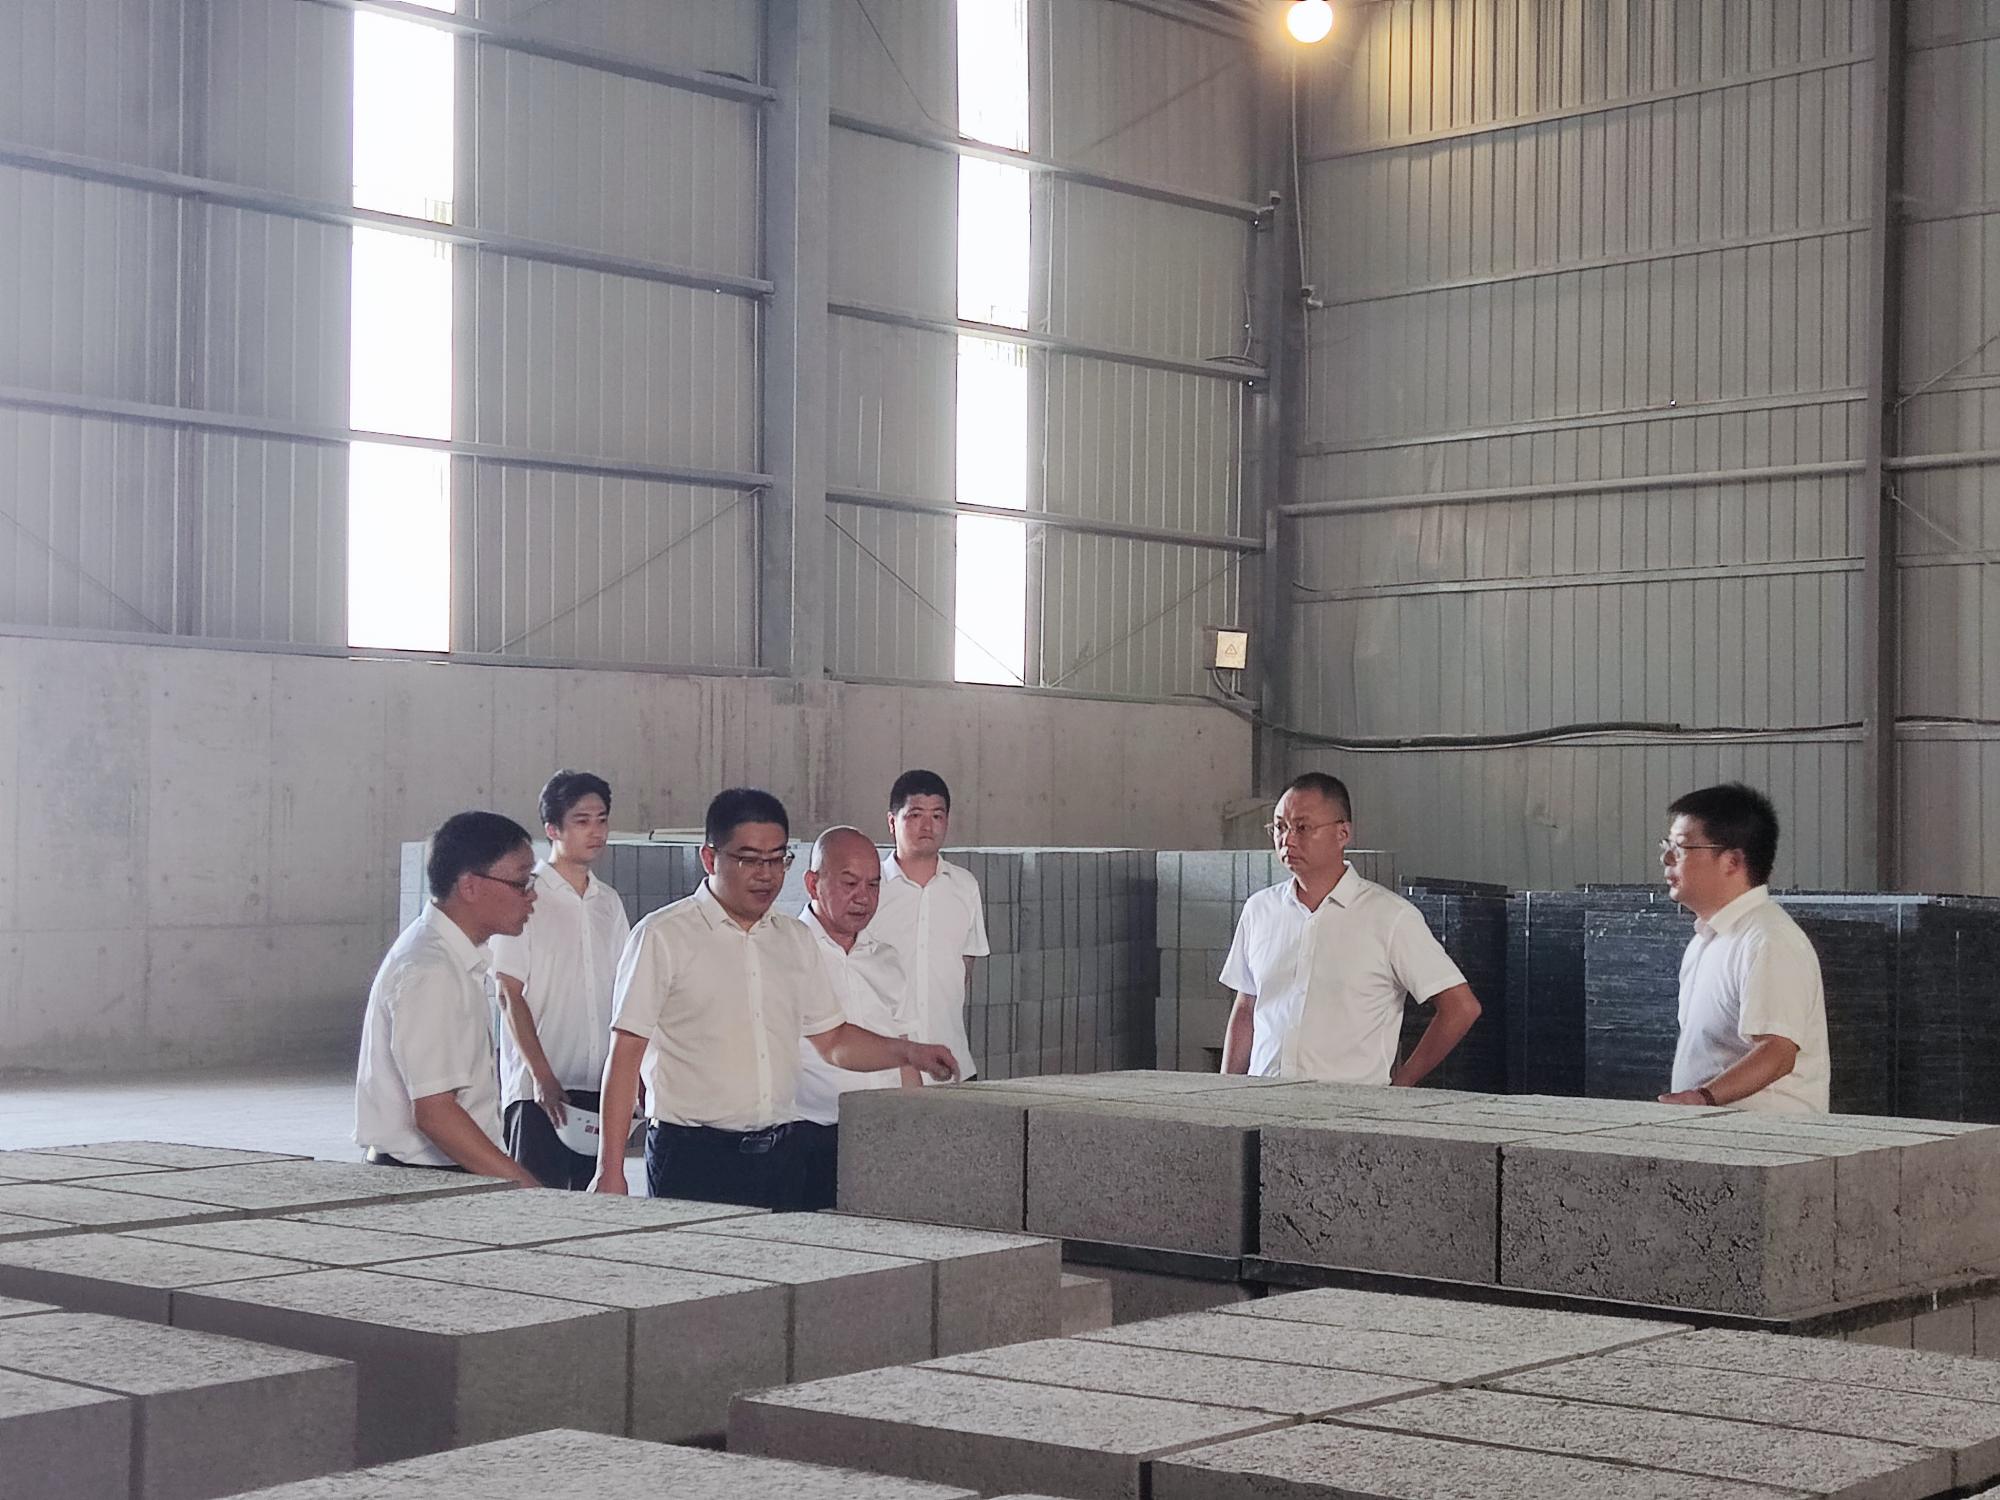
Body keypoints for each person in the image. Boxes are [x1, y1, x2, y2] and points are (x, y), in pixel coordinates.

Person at [590, 788, 957, 1209]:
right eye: (749, 860)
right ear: (710, 858)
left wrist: (908, 1053)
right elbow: (626, 1054)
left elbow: (833, 1041)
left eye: (777, 859)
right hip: (693, 1154)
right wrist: (610, 1168)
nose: (765, 874)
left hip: (781, 1154)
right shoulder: (663, 936)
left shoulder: (793, 940)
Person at [1220, 772, 1482, 1085]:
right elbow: (1247, 1007)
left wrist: (1401, 1087)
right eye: (1280, 827)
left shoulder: (1390, 917)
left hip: (1348, 1107)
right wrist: (1225, 1088)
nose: (1287, 839)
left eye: (1302, 827)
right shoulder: (1259, 910)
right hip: (1263, 1099)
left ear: (1342, 833)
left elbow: (1461, 1007)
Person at [353, 811, 541, 1183]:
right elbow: (436, 1113)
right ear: (469, 886)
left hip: (444, 1173)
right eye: (521, 883)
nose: (532, 896)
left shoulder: (453, 957)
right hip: (422, 1181)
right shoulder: (430, 970)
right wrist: (526, 1187)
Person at [488, 770, 631, 1189]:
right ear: (552, 829)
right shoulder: (525, 898)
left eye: (601, 820)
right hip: (541, 1092)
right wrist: (541, 1076)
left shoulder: (609, 903)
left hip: (599, 1086)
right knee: (537, 1205)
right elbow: (508, 993)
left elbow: (625, 991)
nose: (596, 832)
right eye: (582, 821)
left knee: (593, 1204)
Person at [1656, 783, 1830, 1112]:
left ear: (1732, 861)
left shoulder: (1769, 940)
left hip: (1770, 1137)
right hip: (1714, 1133)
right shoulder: (1705, 941)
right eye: (1667, 846)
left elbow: (1778, 1052)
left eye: (1680, 847)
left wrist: (1703, 1098)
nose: (1666, 859)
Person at [792, 825, 925, 1208]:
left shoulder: (886, 958)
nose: (863, 898)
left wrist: (918, 1127)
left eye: (873, 885)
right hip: (808, 1134)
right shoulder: (786, 951)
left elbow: (904, 1052)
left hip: (883, 1131)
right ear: (813, 883)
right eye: (849, 883)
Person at [870, 770, 989, 1081]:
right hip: (885, 1071)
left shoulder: (965, 886)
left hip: (952, 1063)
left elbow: (965, 968)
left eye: (937, 815)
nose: (927, 826)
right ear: (892, 821)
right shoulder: (869, 888)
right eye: (915, 815)